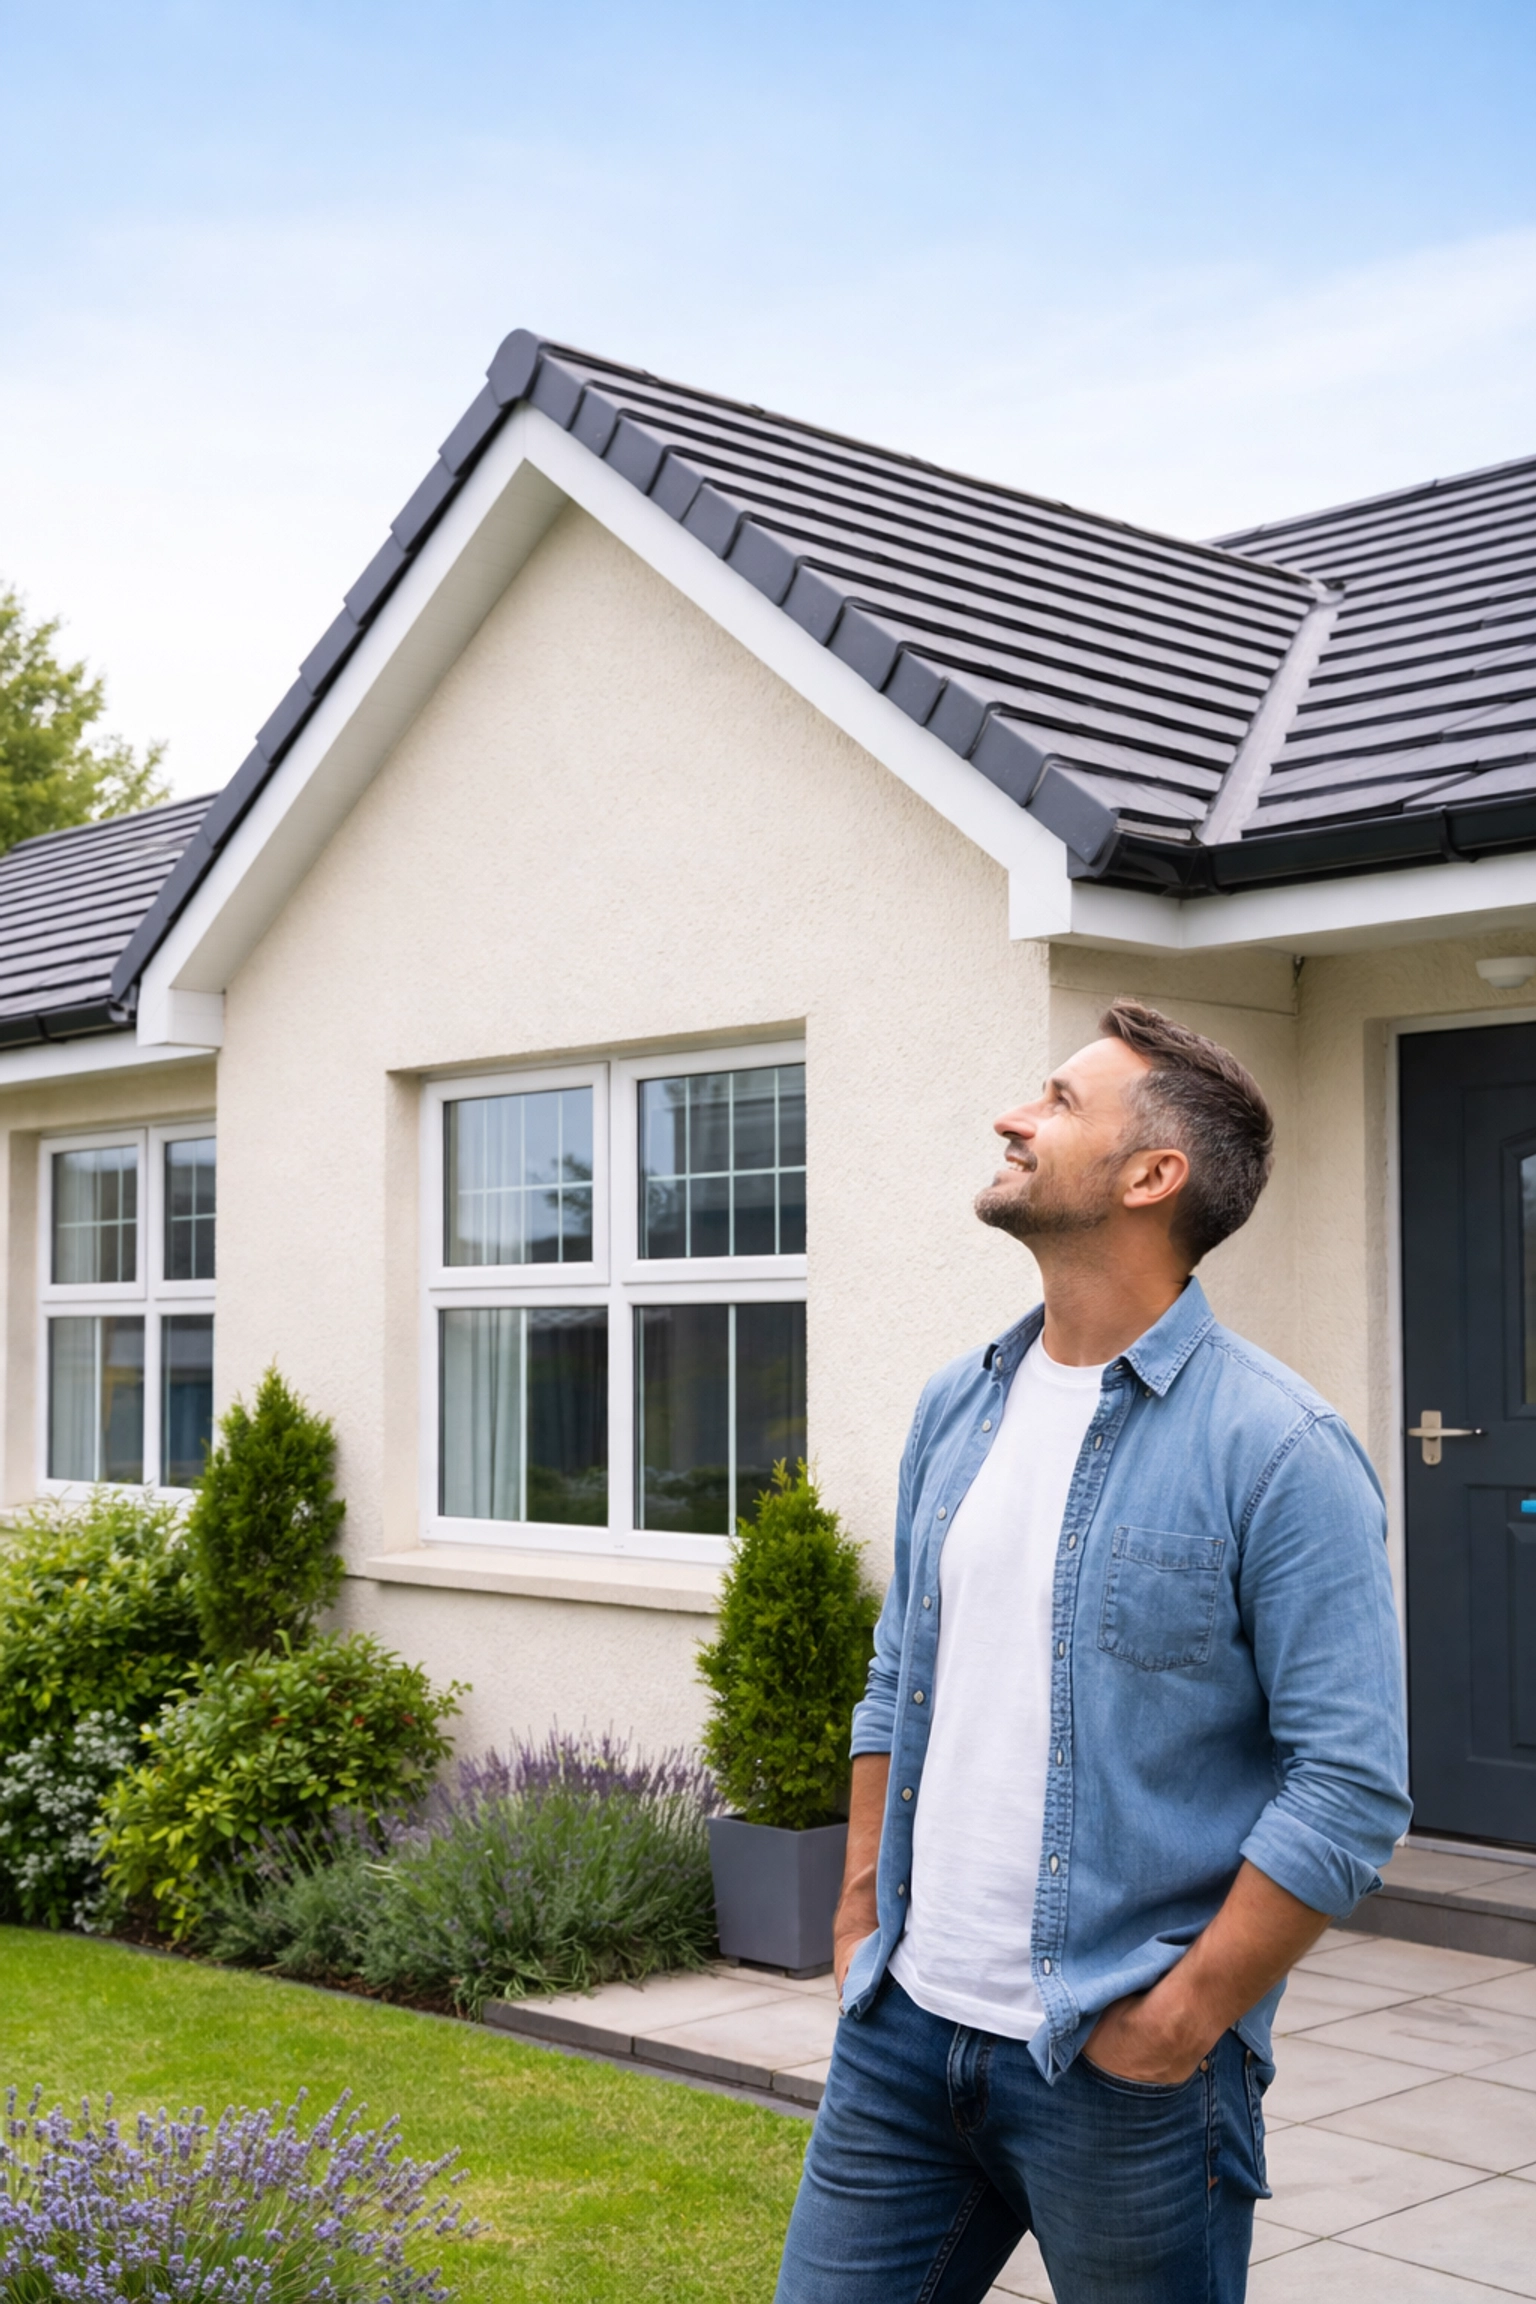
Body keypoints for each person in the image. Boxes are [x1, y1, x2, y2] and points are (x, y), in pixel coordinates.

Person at [775, 1000, 1410, 2304]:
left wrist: (1179, 2024)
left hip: (1121, 2073)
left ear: (1150, 1176)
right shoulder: (959, 1403)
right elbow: (902, 1676)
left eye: (1059, 1101)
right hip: (904, 2038)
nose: (1014, 1116)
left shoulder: (1279, 1450)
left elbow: (1350, 1785)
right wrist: (856, 1915)